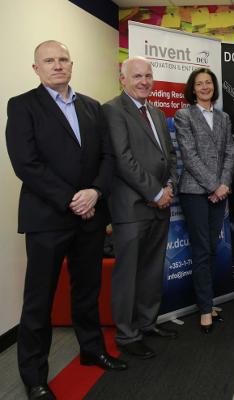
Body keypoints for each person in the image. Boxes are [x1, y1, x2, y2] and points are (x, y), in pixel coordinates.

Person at [6, 40, 126, 400]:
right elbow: (26, 163)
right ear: (36, 68)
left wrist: (95, 193)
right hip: (47, 219)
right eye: (49, 61)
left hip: (90, 217)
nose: (57, 65)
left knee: (87, 290)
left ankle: (92, 350)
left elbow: (108, 157)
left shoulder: (92, 107)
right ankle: (35, 377)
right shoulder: (23, 106)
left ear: (71, 65)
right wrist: (71, 199)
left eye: (62, 60)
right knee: (38, 300)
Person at [103, 57, 179, 359]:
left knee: (151, 270)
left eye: (148, 75)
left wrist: (168, 186)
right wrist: (155, 191)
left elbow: (168, 156)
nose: (144, 81)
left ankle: (147, 324)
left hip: (159, 206)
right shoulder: (112, 110)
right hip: (131, 208)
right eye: (137, 76)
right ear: (123, 79)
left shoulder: (157, 113)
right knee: (128, 275)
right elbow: (123, 159)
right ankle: (127, 334)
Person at [174, 68, 234, 333]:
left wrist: (224, 185)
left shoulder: (223, 117)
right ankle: (205, 310)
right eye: (199, 83)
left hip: (219, 191)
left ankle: (207, 300)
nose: (205, 87)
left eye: (208, 82)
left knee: (211, 248)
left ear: (214, 86)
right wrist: (214, 185)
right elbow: (189, 156)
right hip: (194, 192)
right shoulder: (183, 115)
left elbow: (230, 153)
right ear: (192, 88)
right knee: (200, 250)